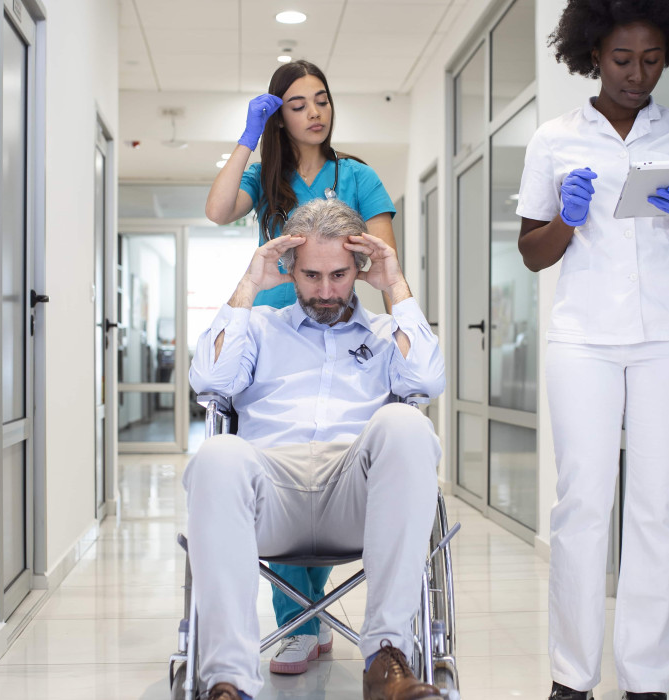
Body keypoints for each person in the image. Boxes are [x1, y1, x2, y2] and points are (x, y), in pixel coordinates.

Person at [514, 1, 669, 699]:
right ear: (594, 54)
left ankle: (647, 679)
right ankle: (572, 678)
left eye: (653, 59)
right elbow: (531, 253)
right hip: (583, 340)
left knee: (659, 505)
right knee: (582, 504)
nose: (638, 74)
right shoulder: (555, 138)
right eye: (623, 60)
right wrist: (567, 221)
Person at [186, 198, 445, 700]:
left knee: (406, 423)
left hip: (355, 496)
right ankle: (230, 681)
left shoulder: (388, 334)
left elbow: (427, 381)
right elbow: (210, 379)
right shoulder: (260, 328)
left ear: (360, 268)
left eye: (339, 274)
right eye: (311, 275)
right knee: (217, 454)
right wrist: (249, 284)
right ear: (288, 268)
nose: (326, 291)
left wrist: (396, 285)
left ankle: (387, 658)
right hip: (270, 494)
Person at [204, 59, 401, 675]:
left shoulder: (359, 176)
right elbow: (216, 211)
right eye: (297, 104)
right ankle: (301, 621)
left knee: (330, 439)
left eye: (322, 100)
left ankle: (311, 617)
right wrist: (246, 137)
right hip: (274, 333)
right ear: (278, 115)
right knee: (274, 442)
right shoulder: (265, 177)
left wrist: (399, 314)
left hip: (336, 327)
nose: (315, 112)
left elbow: (380, 257)